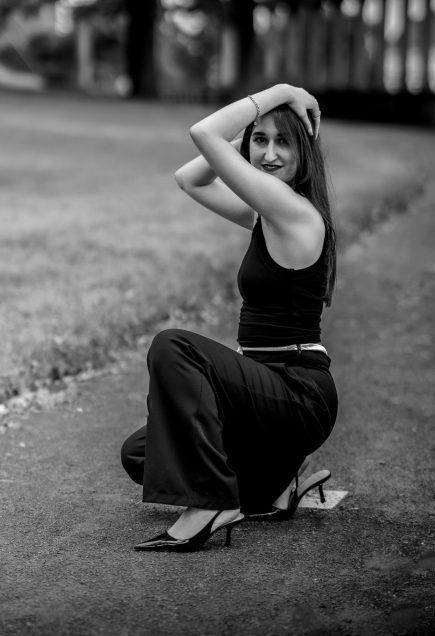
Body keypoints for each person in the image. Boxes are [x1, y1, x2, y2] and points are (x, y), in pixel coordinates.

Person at [120, 83, 338, 553]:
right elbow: (190, 178)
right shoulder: (266, 214)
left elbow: (204, 133)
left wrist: (282, 91)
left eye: (284, 142)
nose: (269, 155)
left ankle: (211, 505)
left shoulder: (295, 213)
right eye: (260, 141)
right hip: (260, 392)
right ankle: (278, 479)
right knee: (141, 454)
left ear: (305, 151)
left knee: (173, 346)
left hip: (296, 391)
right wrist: (250, 134)